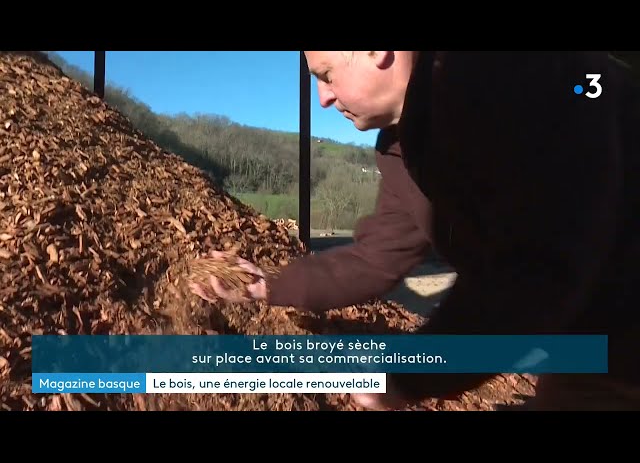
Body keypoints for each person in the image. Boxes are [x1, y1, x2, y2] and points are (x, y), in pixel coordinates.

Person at [189, 51, 640, 410]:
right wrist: (269, 285)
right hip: (591, 337)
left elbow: (536, 266)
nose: (323, 98)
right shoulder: (403, 149)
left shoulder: (514, 73)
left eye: (325, 74)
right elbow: (374, 259)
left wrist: (410, 376)